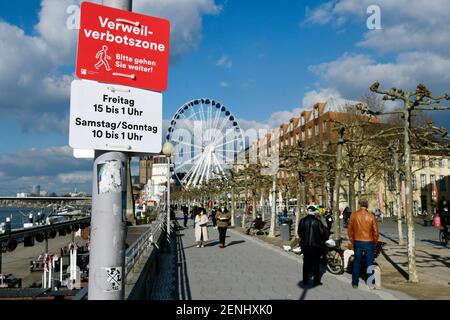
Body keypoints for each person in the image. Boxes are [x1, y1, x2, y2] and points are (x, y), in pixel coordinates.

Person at [347, 199, 379, 289]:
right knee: (370, 263)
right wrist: (374, 242)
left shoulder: (354, 215)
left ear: (359, 205)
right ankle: (370, 283)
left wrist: (353, 240)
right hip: (369, 242)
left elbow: (350, 231)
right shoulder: (371, 216)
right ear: (367, 205)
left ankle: (355, 283)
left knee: (357, 262)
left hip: (357, 241)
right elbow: (376, 232)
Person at [298, 205, 329, 286]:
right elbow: (323, 234)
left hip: (305, 245)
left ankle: (305, 280)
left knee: (306, 263)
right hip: (315, 245)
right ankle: (316, 281)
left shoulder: (302, 221)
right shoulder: (318, 222)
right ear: (314, 212)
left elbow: (300, 233)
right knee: (316, 263)